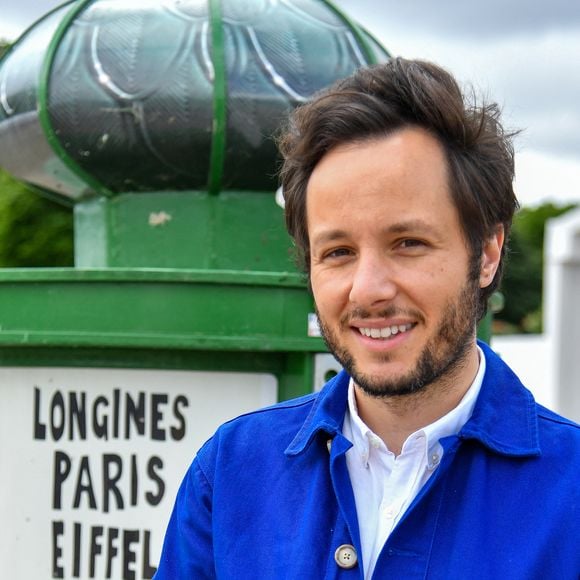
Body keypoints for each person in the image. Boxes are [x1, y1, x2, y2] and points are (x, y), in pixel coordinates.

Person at [154, 58, 580, 579]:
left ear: (487, 252)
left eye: (408, 243)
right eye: (337, 252)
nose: (368, 290)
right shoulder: (231, 471)